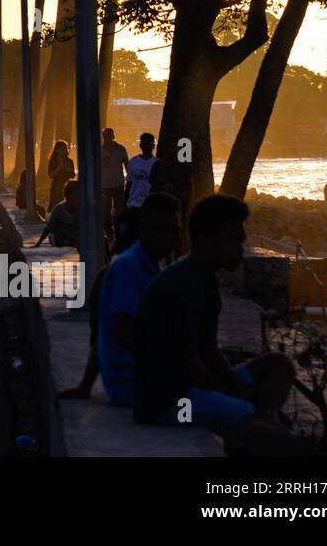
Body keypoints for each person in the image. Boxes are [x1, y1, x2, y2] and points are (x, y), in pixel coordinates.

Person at [133, 194, 296, 447]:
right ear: (204, 239)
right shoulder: (180, 285)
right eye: (232, 240)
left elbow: (209, 350)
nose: (240, 249)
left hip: (193, 385)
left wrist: (233, 386)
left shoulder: (205, 280)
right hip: (170, 399)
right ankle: (261, 426)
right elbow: (188, 362)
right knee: (255, 422)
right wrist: (235, 395)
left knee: (278, 364)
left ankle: (266, 418)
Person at [96, 192, 181, 406]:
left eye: (174, 231)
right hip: (136, 385)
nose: (169, 239)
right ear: (144, 229)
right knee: (242, 414)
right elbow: (123, 332)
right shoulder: (129, 268)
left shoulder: (152, 268)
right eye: (160, 230)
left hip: (151, 380)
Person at [116, 132, 159, 253]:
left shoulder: (157, 163)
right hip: (134, 203)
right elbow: (129, 183)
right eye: (144, 144)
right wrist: (125, 202)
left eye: (150, 144)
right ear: (140, 145)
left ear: (153, 146)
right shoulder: (133, 162)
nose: (147, 146)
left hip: (150, 204)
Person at [34, 179, 80, 248]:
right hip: (59, 238)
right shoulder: (59, 209)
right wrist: (38, 243)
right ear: (68, 196)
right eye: (76, 195)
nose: (79, 198)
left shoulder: (84, 209)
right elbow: (49, 228)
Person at [100, 128, 130, 231]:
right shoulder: (100, 150)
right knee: (105, 210)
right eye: (105, 136)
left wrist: (129, 180)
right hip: (104, 185)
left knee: (120, 209)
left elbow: (127, 165)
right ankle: (108, 231)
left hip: (118, 184)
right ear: (103, 137)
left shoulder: (121, 149)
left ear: (113, 136)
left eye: (109, 136)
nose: (107, 138)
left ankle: (120, 229)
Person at [47, 140, 76, 210]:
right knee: (56, 206)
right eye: (61, 149)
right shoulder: (53, 161)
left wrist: (68, 170)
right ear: (56, 150)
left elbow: (73, 175)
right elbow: (51, 175)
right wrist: (59, 167)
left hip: (67, 186)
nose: (63, 151)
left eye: (64, 149)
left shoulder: (69, 161)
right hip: (56, 186)